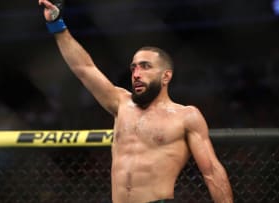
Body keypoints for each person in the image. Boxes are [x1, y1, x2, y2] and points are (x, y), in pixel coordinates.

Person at [38, 0, 233, 202]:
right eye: (134, 68)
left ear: (166, 76)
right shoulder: (121, 103)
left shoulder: (186, 116)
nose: (137, 74)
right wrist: (57, 26)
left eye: (145, 66)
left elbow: (212, 172)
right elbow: (84, 69)